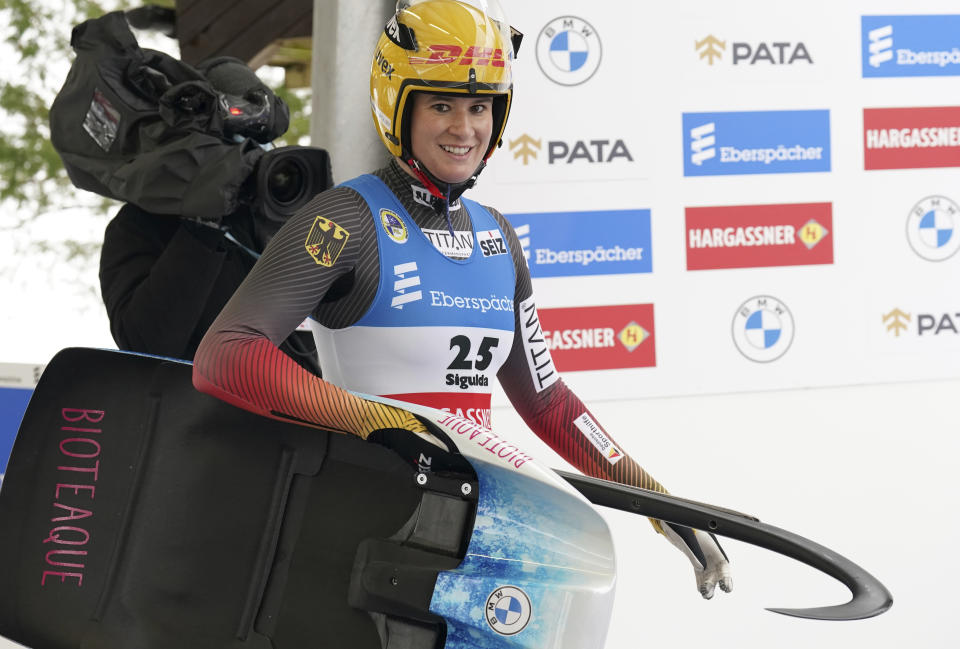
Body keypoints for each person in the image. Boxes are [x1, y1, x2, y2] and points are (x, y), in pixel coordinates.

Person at [193, 0, 732, 599]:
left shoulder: (497, 236)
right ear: (398, 107)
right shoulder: (348, 218)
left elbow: (548, 400)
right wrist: (383, 421)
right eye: (441, 104)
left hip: (477, 527)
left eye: (480, 107)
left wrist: (659, 502)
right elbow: (228, 353)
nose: (464, 127)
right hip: (367, 528)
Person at [100, 202, 321, 374]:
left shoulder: (280, 197)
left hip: (326, 410)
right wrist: (201, 227)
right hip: (226, 417)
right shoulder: (141, 222)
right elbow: (145, 346)